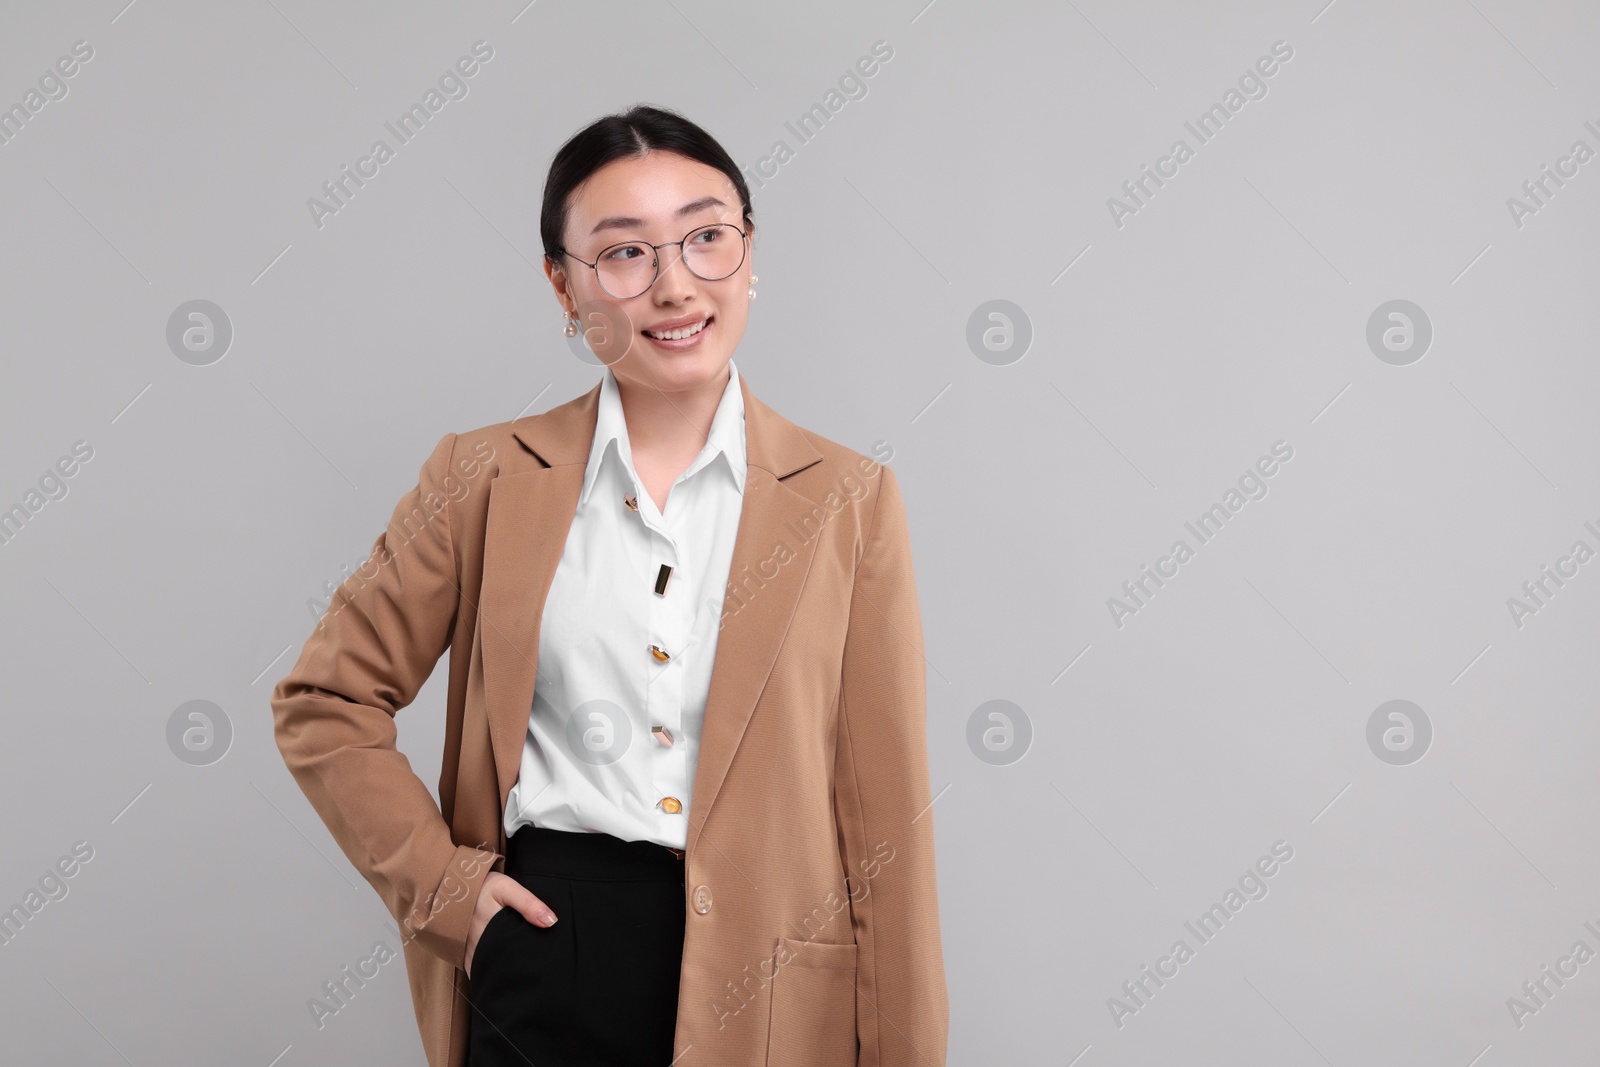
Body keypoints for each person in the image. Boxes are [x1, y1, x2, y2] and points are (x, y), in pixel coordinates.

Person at [272, 103, 948, 1067]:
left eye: (707, 237)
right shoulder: (481, 478)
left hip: (769, 987)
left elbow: (888, 822)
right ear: (564, 286)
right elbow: (323, 699)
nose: (676, 286)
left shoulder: (848, 501)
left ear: (750, 256)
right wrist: (449, 893)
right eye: (626, 254)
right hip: (549, 951)